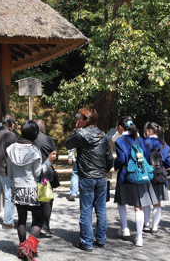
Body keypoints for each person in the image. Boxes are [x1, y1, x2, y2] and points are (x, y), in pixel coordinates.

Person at [7, 120, 57, 260]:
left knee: (21, 220)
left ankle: (22, 248)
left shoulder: (10, 149)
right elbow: (38, 173)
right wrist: (48, 161)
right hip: (32, 190)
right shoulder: (34, 150)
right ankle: (28, 247)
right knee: (39, 220)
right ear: (35, 133)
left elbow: (9, 173)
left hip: (17, 189)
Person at [65, 108, 113, 252]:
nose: (78, 119)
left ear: (86, 120)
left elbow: (68, 144)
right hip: (100, 177)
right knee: (101, 209)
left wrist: (75, 129)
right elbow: (109, 158)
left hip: (87, 177)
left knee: (86, 210)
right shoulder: (103, 135)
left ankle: (86, 242)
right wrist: (104, 171)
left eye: (80, 117)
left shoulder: (80, 134)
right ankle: (101, 239)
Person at [113, 117, 158, 247]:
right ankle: (139, 238)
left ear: (121, 127)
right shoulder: (141, 140)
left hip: (125, 176)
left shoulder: (120, 141)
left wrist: (115, 166)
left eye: (117, 126)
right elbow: (146, 155)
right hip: (140, 176)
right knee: (138, 208)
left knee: (121, 202)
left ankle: (125, 229)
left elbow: (121, 159)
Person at [142, 122, 170, 234]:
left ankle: (146, 224)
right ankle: (155, 227)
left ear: (149, 130)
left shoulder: (143, 143)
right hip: (160, 176)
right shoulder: (165, 145)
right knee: (157, 203)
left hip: (146, 175)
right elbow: (169, 163)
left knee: (145, 201)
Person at [33, 118, 57, 236]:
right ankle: (44, 226)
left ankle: (35, 224)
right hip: (46, 173)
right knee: (46, 200)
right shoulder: (48, 139)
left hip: (33, 173)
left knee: (36, 200)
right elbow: (55, 156)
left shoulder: (31, 139)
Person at [68, 112, 81, 202]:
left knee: (75, 174)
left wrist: (70, 156)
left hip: (77, 157)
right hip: (87, 158)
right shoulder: (88, 131)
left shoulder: (75, 132)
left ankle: (73, 192)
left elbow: (71, 145)